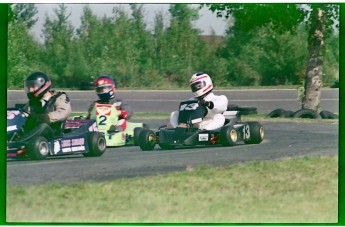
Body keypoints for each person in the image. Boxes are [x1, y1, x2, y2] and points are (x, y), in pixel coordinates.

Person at [21, 71, 72, 141]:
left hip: (53, 133)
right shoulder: (32, 102)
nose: (30, 90)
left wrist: (46, 117)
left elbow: (63, 113)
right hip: (34, 133)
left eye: (33, 86)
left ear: (43, 85)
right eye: (29, 87)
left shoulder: (59, 97)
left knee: (43, 126)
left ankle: (21, 142)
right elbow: (24, 114)